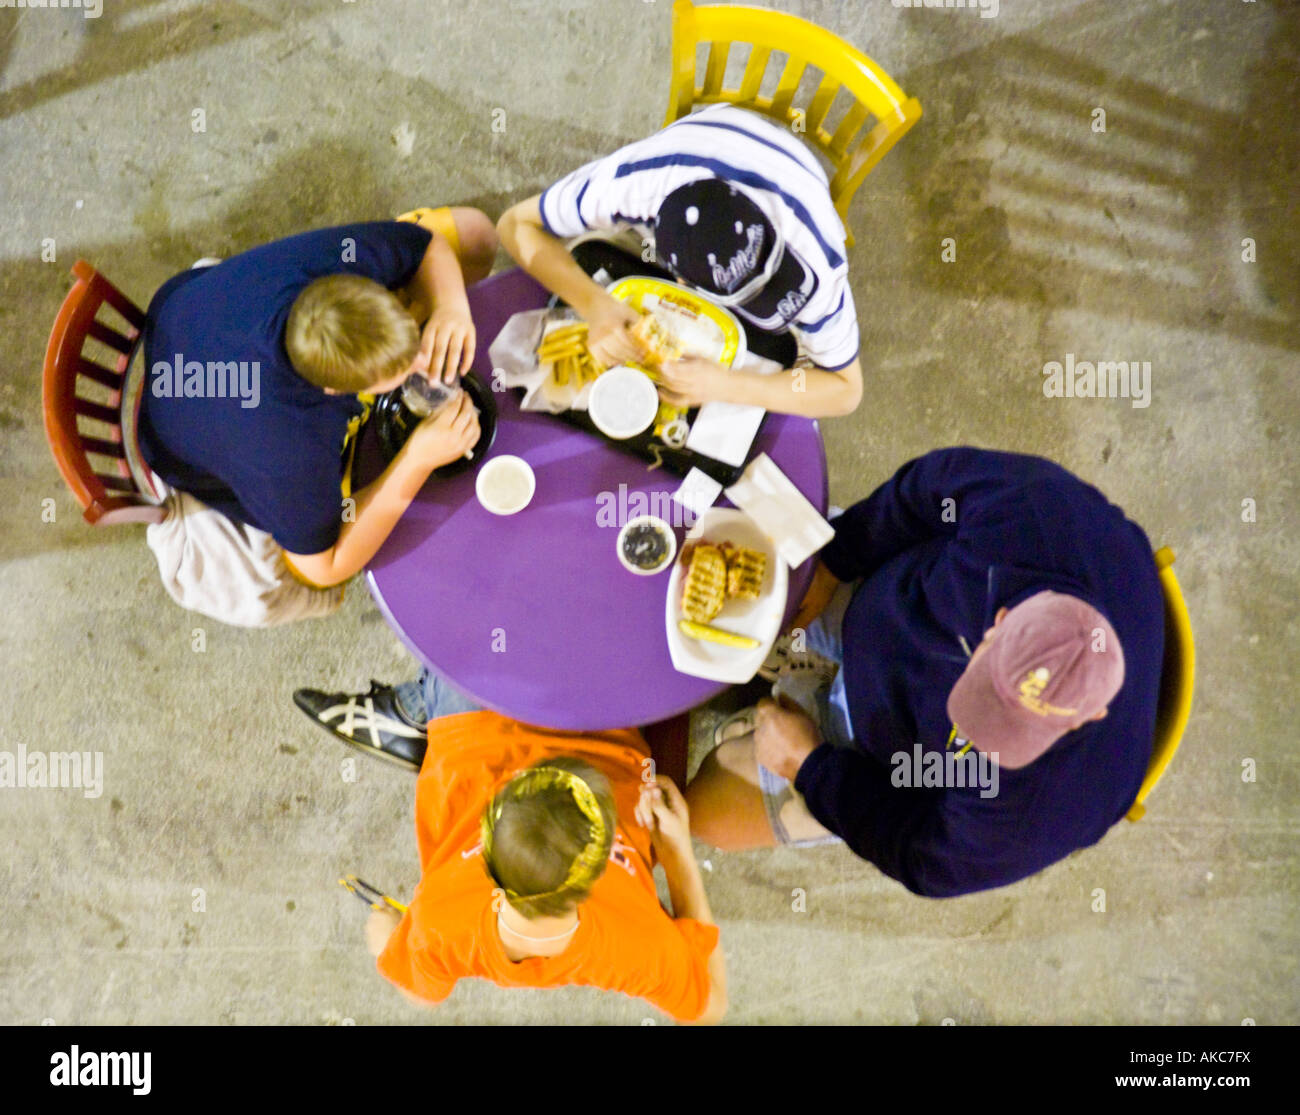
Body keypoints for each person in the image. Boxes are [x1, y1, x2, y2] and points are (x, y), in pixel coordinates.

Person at [684, 448, 1166, 898]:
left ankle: (793, 698)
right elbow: (929, 491)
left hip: (881, 759)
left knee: (706, 816)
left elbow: (922, 856)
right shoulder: (1045, 513)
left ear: (1094, 714)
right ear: (997, 622)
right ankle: (792, 680)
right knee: (703, 532)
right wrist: (836, 560)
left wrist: (810, 767)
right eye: (984, 698)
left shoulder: (1045, 812)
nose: (978, 737)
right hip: (872, 595)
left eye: (1004, 738)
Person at [138, 206, 496, 590]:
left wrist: (450, 309)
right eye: (405, 370)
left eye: (413, 339)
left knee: (475, 232)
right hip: (178, 438)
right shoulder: (288, 448)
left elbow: (428, 247)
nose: (425, 364)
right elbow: (322, 568)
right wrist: (417, 459)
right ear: (337, 391)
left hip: (186, 314)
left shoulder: (328, 269)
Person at [359, 684, 726, 1024]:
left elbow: (422, 993)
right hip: (604, 728)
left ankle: (408, 711)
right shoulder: (637, 946)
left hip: (478, 725)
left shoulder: (437, 927)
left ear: (487, 847)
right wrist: (679, 855)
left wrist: (387, 942)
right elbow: (709, 1008)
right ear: (596, 876)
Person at [497, 104, 864, 419]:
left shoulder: (819, 263)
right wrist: (593, 304)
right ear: (681, 280)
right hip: (695, 145)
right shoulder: (631, 185)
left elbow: (846, 391)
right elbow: (514, 223)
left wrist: (730, 386)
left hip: (779, 160)